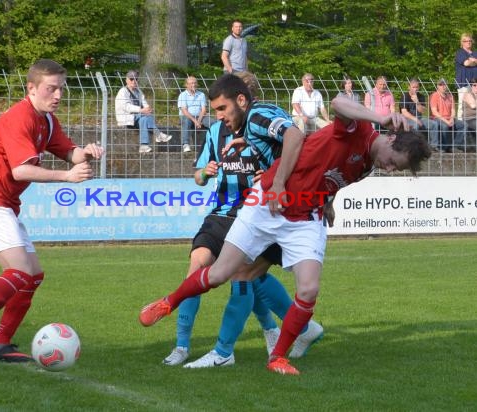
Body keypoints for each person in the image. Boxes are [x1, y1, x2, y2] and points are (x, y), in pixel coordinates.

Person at [139, 95, 431, 376]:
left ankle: (276, 357)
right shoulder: (361, 129)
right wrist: (380, 116)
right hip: (267, 202)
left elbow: (331, 172)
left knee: (308, 290)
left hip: (305, 217)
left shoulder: (370, 162)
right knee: (219, 274)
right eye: (394, 161)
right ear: (391, 138)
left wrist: (328, 200)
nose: (390, 168)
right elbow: (337, 104)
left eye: (397, 169)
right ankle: (169, 302)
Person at [0, 59, 105, 370]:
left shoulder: (47, 120)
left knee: (32, 275)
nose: (57, 95)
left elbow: (69, 152)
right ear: (31, 88)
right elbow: (20, 170)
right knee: (19, 273)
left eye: (61, 88)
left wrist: (87, 151)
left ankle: (0, 344)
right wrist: (67, 177)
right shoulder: (20, 117)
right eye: (51, 89)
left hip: (0, 204)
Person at [165, 75, 322, 369]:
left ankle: (256, 338)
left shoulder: (260, 123)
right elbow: (198, 176)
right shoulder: (218, 131)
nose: (221, 116)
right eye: (217, 110)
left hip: (257, 212)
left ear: (246, 98)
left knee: (248, 276)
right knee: (201, 264)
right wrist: (206, 172)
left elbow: (292, 147)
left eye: (223, 108)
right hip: (224, 211)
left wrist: (275, 178)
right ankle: (182, 345)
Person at [115, 70, 172, 153]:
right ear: (126, 80)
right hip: (127, 118)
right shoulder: (123, 91)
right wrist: (141, 110)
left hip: (138, 119)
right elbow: (126, 107)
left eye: (136, 79)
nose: (134, 81)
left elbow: (144, 102)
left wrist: (148, 109)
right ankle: (158, 134)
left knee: (145, 118)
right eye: (131, 79)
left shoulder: (138, 91)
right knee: (144, 116)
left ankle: (144, 145)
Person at [399, 77, 440, 151]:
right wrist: (415, 119)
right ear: (409, 87)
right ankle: (415, 147)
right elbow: (404, 112)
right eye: (413, 87)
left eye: (417, 87)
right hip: (407, 119)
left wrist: (417, 102)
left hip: (420, 118)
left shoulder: (421, 96)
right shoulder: (404, 96)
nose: (415, 89)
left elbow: (422, 111)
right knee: (415, 125)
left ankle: (434, 146)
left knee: (434, 124)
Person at [177, 76, 213, 153]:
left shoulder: (201, 94)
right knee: (186, 120)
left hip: (200, 116)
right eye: (191, 83)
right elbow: (184, 111)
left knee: (213, 122)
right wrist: (195, 121)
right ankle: (186, 144)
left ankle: (216, 140)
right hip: (187, 116)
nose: (193, 85)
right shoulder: (182, 95)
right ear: (186, 85)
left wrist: (199, 120)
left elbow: (203, 109)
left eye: (195, 83)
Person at [429, 78, 466, 153]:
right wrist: (446, 121)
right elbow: (434, 112)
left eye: (444, 84)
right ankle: (445, 147)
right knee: (445, 126)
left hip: (449, 118)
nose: (443, 86)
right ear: (437, 86)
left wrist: (452, 118)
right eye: (441, 85)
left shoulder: (450, 96)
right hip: (437, 118)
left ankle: (455, 146)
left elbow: (453, 110)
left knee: (463, 125)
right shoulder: (434, 96)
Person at [454, 33, 477, 120]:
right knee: (462, 106)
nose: (468, 42)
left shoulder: (475, 52)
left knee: (474, 104)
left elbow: (469, 63)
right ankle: (461, 125)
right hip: (463, 82)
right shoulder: (460, 52)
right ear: (462, 42)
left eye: (470, 41)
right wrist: (473, 61)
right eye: (466, 41)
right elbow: (466, 63)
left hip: (475, 84)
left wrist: (472, 60)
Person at [461, 77, 477, 150]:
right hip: (469, 118)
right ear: (471, 86)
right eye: (474, 85)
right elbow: (473, 105)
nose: (476, 87)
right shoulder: (467, 94)